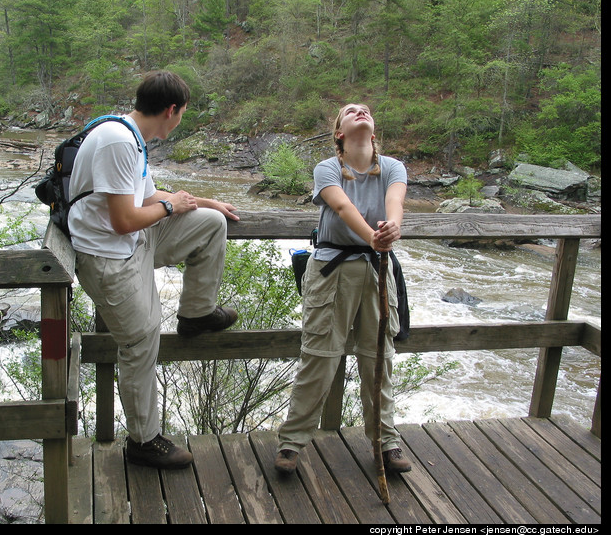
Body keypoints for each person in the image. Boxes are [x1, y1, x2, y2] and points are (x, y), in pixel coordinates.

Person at [69, 71, 240, 469]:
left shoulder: (130, 136)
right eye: (182, 114)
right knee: (141, 342)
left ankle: (196, 313)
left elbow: (146, 196)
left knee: (210, 225)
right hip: (110, 257)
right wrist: (170, 207)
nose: (180, 120)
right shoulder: (117, 141)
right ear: (171, 110)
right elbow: (123, 220)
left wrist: (206, 202)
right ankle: (143, 441)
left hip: (135, 243)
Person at [275, 103, 411, 475]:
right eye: (351, 111)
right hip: (333, 270)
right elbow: (342, 206)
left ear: (373, 128)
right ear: (340, 133)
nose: (361, 111)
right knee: (319, 355)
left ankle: (386, 442)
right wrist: (375, 238)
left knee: (378, 357)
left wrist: (392, 229)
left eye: (365, 110)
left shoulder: (393, 167)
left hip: (376, 270)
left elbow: (394, 203)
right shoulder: (329, 168)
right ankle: (292, 443)